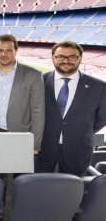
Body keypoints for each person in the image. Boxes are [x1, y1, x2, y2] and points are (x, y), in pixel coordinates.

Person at [37, 41, 106, 176]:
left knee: (72, 194)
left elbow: (102, 118)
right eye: (61, 56)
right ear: (53, 58)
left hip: (77, 151)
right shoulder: (38, 82)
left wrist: (80, 129)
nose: (66, 61)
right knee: (39, 192)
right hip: (41, 151)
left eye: (72, 57)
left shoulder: (99, 87)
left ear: (80, 58)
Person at [0, 34, 44, 155]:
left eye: (8, 50)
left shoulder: (33, 75)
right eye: (0, 50)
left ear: (16, 51)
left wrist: (35, 143)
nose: (4, 54)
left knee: (18, 172)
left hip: (20, 133)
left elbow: (38, 112)